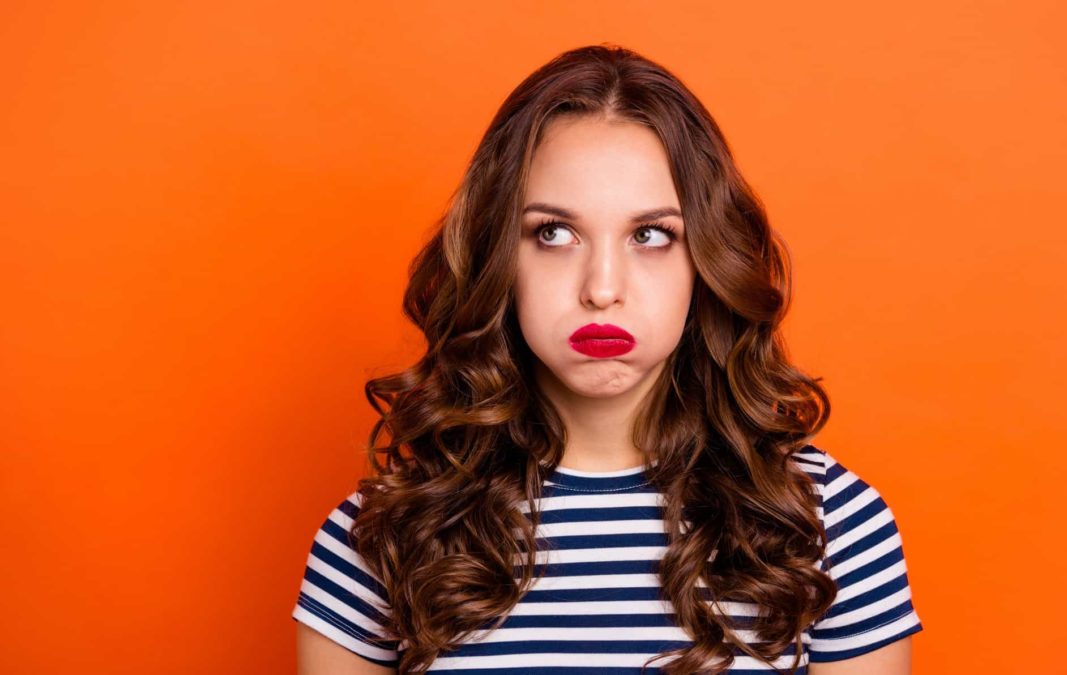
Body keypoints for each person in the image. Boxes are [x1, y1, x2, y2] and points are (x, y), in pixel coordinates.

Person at [293, 44, 923, 674]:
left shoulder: (829, 524)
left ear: (705, 262)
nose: (601, 287)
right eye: (553, 233)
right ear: (497, 258)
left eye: (650, 235)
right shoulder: (382, 536)